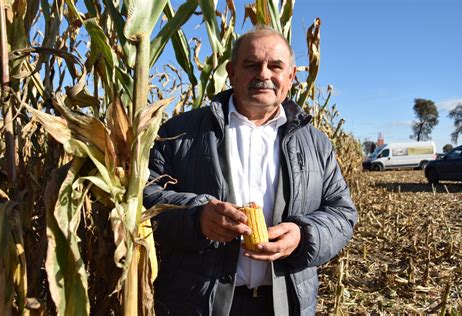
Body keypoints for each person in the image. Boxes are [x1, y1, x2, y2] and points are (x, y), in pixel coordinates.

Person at [143, 25, 357, 316]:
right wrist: (196, 217)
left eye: (276, 66)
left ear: (291, 76)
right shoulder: (180, 132)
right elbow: (145, 197)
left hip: (285, 302)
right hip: (199, 301)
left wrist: (303, 235)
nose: (264, 75)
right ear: (231, 72)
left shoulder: (315, 143)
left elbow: (342, 213)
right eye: (252, 64)